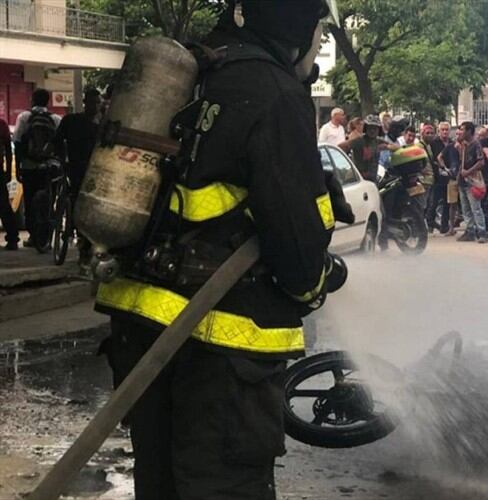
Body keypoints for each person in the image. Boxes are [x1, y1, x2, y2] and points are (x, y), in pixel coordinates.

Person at [97, 3, 352, 497]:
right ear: (292, 24)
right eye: (319, 29)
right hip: (222, 353)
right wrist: (321, 276)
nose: (320, 42)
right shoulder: (274, 91)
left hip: (140, 335)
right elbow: (300, 260)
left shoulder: (191, 70)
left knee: (162, 483)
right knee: (224, 487)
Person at [54, 88, 102, 262]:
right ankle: (81, 241)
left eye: (97, 103)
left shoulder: (101, 125)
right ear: (85, 102)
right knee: (77, 201)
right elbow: (57, 141)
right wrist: (63, 160)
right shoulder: (73, 121)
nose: (95, 106)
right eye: (93, 102)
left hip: (94, 171)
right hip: (76, 168)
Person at [12, 88, 61, 251]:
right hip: (50, 168)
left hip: (29, 166)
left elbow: (17, 142)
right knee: (49, 201)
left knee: (30, 201)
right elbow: (60, 144)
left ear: (32, 100)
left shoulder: (24, 117)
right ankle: (47, 237)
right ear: (48, 101)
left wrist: (19, 165)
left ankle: (34, 237)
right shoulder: (55, 119)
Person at [455, 122, 487, 243]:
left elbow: (481, 162)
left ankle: (482, 232)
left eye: (462, 130)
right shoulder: (463, 145)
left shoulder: (476, 144)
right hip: (463, 180)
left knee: (476, 208)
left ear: (469, 131)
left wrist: (468, 172)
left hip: (472, 180)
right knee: (465, 208)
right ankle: (470, 231)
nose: (460, 132)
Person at [338, 115, 393, 183]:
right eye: (370, 128)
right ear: (366, 128)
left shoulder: (378, 141)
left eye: (375, 128)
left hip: (372, 180)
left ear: (379, 129)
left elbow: (394, 146)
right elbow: (340, 146)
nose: (372, 131)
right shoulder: (359, 141)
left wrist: (388, 147)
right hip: (358, 180)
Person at [427, 121, 453, 233]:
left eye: (447, 130)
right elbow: (432, 159)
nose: (445, 132)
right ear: (439, 131)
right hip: (438, 176)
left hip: (450, 176)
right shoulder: (434, 143)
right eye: (442, 130)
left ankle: (444, 225)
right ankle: (430, 224)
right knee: (434, 202)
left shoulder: (452, 143)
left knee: (448, 202)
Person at [0, 117, 17, 250]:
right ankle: (12, 238)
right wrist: (8, 171)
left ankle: (12, 237)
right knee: (4, 205)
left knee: (4, 205)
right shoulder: (2, 125)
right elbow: (9, 150)